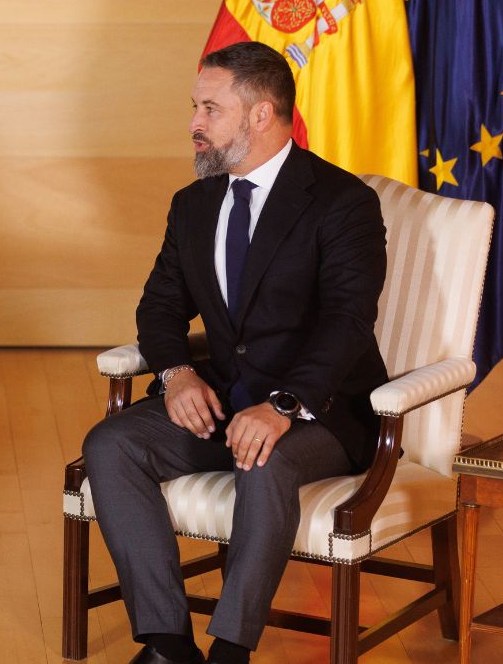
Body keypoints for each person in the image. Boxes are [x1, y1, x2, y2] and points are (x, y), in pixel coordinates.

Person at [81, 41, 389, 664]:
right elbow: (159, 309)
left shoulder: (341, 202)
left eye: (210, 109)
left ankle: (230, 650)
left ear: (260, 114)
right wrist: (176, 375)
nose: (194, 123)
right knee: (109, 445)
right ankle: (168, 645)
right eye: (195, 107)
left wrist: (283, 405)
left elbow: (347, 323)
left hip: (318, 412)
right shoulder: (192, 205)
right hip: (222, 402)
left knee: (264, 461)